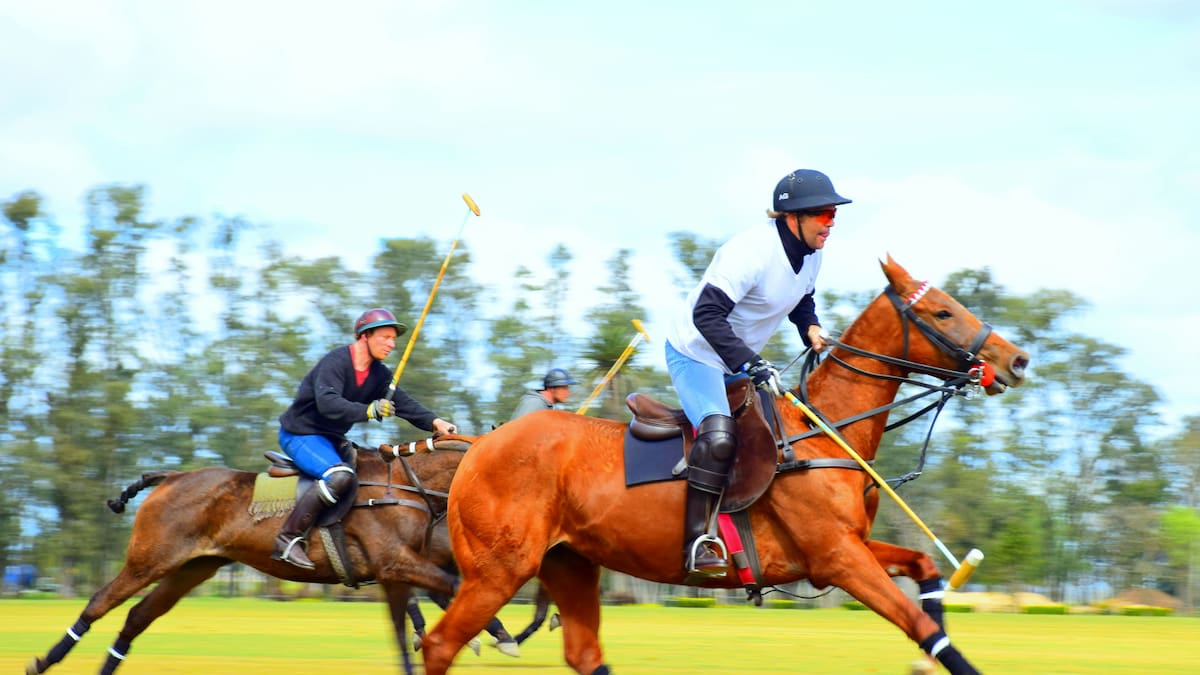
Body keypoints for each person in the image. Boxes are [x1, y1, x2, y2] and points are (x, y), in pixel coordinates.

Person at [663, 168, 851, 577]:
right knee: (716, 437)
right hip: (695, 352)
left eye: (833, 214)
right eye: (823, 214)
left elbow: (803, 298)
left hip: (735, 359)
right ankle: (698, 542)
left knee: (781, 437)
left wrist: (811, 327)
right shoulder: (750, 251)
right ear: (791, 216)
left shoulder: (812, 253)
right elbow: (706, 315)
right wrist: (751, 362)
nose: (830, 223)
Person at [272, 307, 458, 570]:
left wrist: (435, 422)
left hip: (332, 439)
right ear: (364, 336)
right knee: (339, 476)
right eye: (385, 337)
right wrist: (367, 410)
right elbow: (327, 403)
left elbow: (403, 403)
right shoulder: (335, 362)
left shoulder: (379, 374)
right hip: (300, 434)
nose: (392, 344)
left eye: (394, 339)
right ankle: (287, 538)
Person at [510, 367, 577, 419]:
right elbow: (519, 432)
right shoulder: (535, 403)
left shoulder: (546, 406)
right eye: (564, 389)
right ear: (551, 389)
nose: (568, 394)